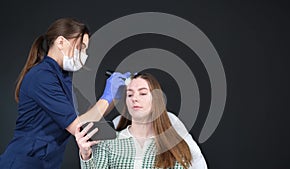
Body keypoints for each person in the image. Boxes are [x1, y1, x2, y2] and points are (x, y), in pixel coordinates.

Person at [0, 18, 130, 169]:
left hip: (46, 163)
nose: (84, 54)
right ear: (61, 42)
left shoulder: (64, 79)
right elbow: (80, 127)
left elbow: (91, 116)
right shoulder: (42, 77)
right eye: (81, 47)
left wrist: (115, 95)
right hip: (22, 163)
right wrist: (107, 95)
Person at [76, 73, 207, 169]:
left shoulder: (173, 149)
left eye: (143, 93)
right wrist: (86, 155)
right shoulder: (108, 143)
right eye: (130, 94)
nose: (135, 99)